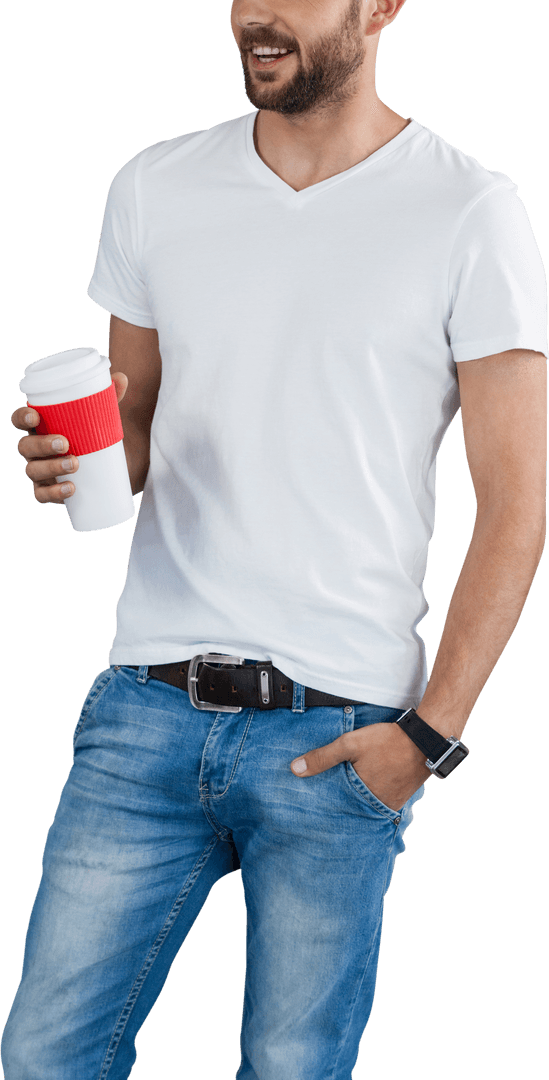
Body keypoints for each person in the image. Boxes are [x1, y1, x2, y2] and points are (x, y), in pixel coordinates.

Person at [3, 0, 547, 1077]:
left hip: (338, 740)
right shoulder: (155, 185)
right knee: (41, 1056)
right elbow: (139, 421)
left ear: (382, 6)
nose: (258, 11)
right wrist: (79, 459)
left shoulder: (468, 211)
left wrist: (425, 740)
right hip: (143, 712)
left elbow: (518, 503)